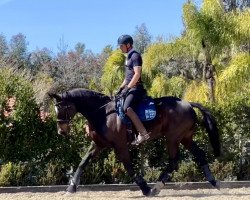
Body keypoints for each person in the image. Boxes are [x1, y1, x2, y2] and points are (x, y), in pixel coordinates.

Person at [116, 34, 150, 145]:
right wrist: (121, 88)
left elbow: (137, 74)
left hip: (137, 88)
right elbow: (127, 78)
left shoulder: (135, 56)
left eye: (121, 46)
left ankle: (143, 134)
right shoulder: (128, 57)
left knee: (127, 108)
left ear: (128, 45)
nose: (120, 48)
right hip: (130, 87)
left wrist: (128, 88)